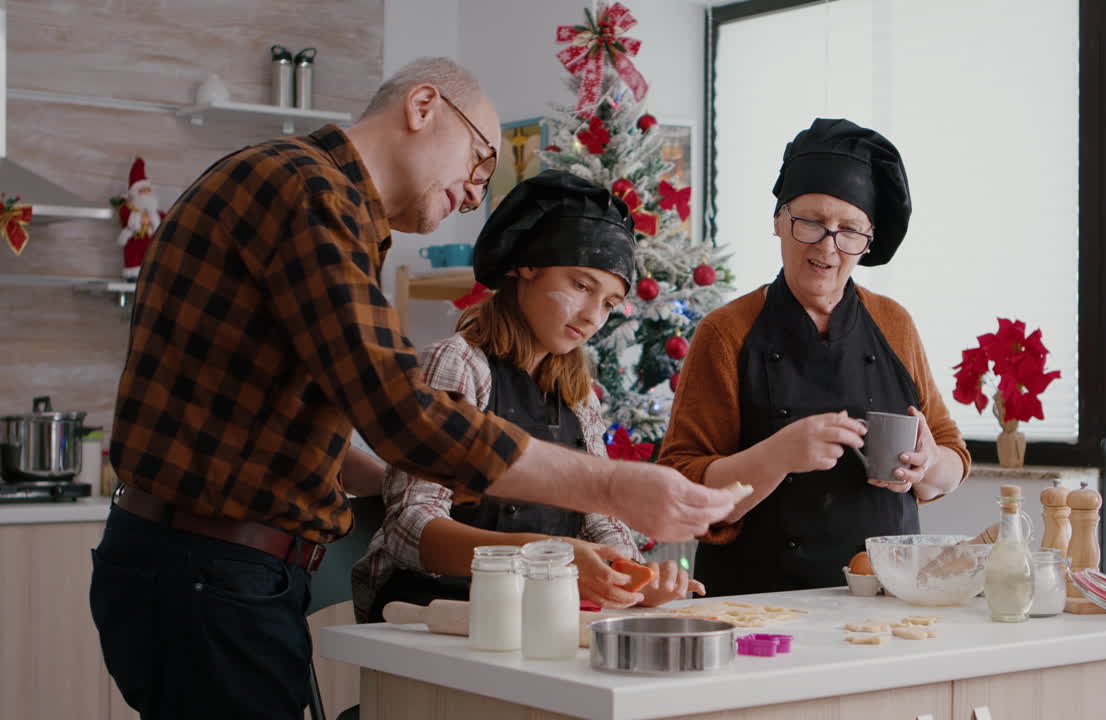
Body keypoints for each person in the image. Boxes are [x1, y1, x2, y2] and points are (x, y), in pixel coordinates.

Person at [90, 57, 736, 720]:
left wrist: (381, 478)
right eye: (480, 161)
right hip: (209, 571)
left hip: (212, 569)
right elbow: (402, 410)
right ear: (423, 107)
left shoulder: (320, 203)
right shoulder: (304, 192)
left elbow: (262, 403)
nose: (476, 192)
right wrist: (612, 485)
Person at [355, 170, 703, 623]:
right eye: (581, 286)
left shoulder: (580, 396)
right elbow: (410, 528)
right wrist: (546, 555)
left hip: (528, 615)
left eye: (609, 303)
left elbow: (599, 516)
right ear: (527, 267)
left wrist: (631, 577)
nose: (593, 315)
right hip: (432, 613)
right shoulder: (459, 365)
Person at [657, 118, 970, 597]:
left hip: (888, 599)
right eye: (811, 222)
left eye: (849, 230)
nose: (828, 245)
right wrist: (776, 456)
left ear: (867, 243)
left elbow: (951, 454)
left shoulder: (894, 323)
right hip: (760, 604)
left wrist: (929, 464)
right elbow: (685, 481)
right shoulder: (726, 332)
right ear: (780, 221)